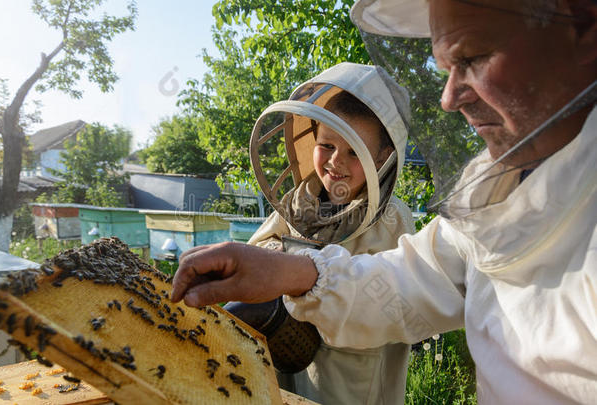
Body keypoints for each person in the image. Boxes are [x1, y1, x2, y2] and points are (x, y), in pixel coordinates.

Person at [171, 0, 597, 403]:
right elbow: (411, 280)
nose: (449, 98)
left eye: (473, 58)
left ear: (583, 29)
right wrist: (287, 270)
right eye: (447, 68)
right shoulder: (492, 187)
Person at [246, 63, 415, 404]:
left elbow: (401, 302)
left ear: (382, 157)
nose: (336, 162)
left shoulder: (394, 219)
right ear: (312, 139)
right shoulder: (301, 201)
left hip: (352, 376)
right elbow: (259, 248)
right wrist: (278, 255)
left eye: (354, 151)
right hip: (288, 361)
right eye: (327, 145)